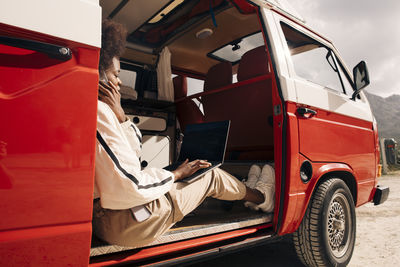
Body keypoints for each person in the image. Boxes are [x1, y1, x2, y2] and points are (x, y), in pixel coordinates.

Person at [92, 19, 275, 247]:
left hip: (108, 217)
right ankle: (262, 197)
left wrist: (121, 117)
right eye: (115, 74)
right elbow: (131, 186)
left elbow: (130, 157)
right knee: (211, 175)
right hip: (130, 223)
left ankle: (247, 189)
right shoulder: (99, 112)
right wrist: (176, 175)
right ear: (99, 76)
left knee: (188, 170)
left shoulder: (98, 111)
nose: (119, 81)